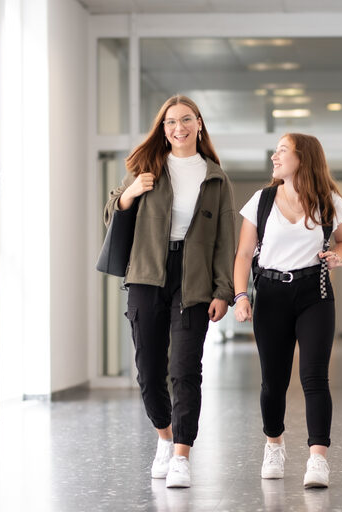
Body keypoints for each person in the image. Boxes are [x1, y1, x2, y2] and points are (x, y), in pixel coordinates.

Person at [104, 95, 236, 489]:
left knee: (184, 370)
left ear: (199, 124)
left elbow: (225, 241)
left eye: (185, 120)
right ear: (163, 129)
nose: (177, 128)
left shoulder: (215, 178)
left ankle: (181, 455)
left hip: (193, 280)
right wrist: (130, 193)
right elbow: (112, 212)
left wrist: (224, 291)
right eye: (169, 122)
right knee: (148, 371)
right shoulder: (147, 168)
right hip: (147, 275)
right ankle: (163, 437)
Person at [232, 133, 342, 488]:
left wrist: (337, 255)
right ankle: (274, 444)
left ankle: (318, 459)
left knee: (315, 377)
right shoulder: (262, 200)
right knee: (274, 381)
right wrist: (242, 296)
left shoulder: (329, 200)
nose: (275, 156)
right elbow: (243, 255)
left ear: (303, 158)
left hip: (314, 292)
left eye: (282, 151)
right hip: (270, 293)